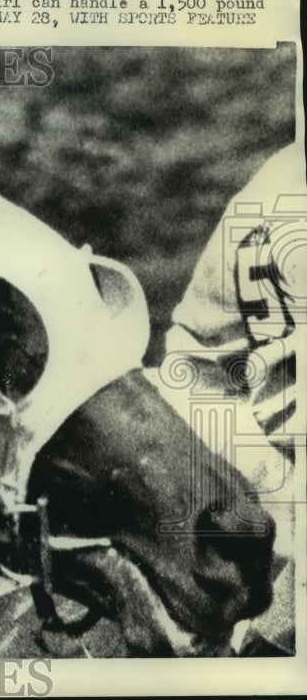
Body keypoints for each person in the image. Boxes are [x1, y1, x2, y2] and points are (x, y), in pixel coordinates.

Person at [151, 143, 304, 655]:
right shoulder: (279, 182)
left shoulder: (278, 174)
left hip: (242, 450)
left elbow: (188, 357)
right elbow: (193, 363)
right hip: (262, 471)